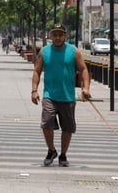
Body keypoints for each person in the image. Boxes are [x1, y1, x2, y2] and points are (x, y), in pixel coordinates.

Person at [31, 24, 91, 167]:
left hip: (67, 96)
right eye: (54, 34)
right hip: (49, 95)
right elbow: (37, 71)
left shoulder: (73, 51)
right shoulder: (44, 52)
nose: (57, 37)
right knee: (46, 123)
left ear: (65, 35)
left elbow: (83, 69)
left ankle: (63, 155)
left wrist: (86, 88)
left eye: (60, 34)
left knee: (67, 127)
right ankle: (51, 150)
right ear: (50, 36)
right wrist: (34, 90)